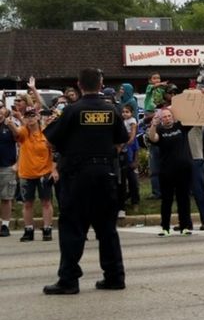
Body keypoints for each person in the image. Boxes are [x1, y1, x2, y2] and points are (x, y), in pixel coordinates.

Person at [42, 68, 128, 295]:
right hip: (105, 173)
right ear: (101, 84)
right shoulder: (112, 110)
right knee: (107, 229)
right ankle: (114, 276)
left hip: (78, 175)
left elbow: (50, 140)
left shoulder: (72, 110)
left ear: (79, 85)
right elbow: (122, 140)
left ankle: (69, 279)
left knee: (72, 227)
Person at [7, 106, 55, 241]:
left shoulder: (46, 133)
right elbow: (16, 133)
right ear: (24, 119)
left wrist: (54, 169)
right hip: (26, 173)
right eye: (27, 116)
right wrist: (10, 124)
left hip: (44, 173)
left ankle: (47, 228)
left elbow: (54, 152)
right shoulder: (24, 132)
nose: (30, 119)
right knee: (27, 203)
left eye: (32, 116)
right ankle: (28, 229)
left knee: (46, 201)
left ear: (38, 117)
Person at [147, 108, 194, 236]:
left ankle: (185, 226)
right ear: (161, 119)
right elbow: (153, 138)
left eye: (169, 116)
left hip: (184, 169)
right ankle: (165, 227)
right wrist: (153, 125)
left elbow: (195, 116)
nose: (167, 118)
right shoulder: (160, 130)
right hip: (167, 171)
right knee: (166, 200)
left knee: (183, 198)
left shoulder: (181, 127)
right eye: (164, 117)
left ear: (173, 117)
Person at [120, 104, 140, 215]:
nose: (124, 114)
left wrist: (135, 161)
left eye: (127, 112)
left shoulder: (132, 121)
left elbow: (133, 142)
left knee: (133, 181)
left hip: (130, 157)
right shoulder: (122, 123)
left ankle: (135, 202)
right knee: (122, 181)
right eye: (123, 112)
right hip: (123, 157)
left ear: (131, 113)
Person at [0, 105, 17, 237]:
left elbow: (21, 140)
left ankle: (5, 225)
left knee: (6, 198)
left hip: (7, 166)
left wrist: (17, 164)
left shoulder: (9, 125)